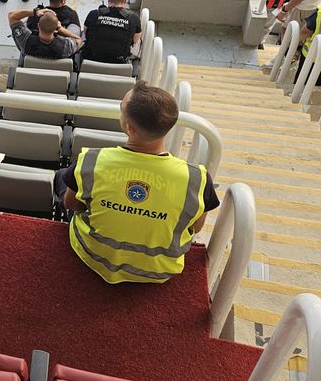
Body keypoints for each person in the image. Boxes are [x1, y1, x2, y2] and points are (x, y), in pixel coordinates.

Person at [58, 82, 219, 284]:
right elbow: (195, 227)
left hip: (93, 256)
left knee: (64, 176)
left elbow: (71, 203)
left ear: (129, 127)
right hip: (160, 270)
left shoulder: (91, 160)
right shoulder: (198, 180)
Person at [83, 0, 143, 66]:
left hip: (91, 63)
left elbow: (86, 34)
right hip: (119, 66)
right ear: (125, 1)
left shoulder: (93, 14)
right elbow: (134, 41)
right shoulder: (134, 19)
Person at [9, 7, 80, 59]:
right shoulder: (66, 47)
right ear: (56, 30)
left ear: (38, 25)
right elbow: (78, 39)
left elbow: (12, 16)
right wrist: (62, 30)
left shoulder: (25, 41)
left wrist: (35, 12)